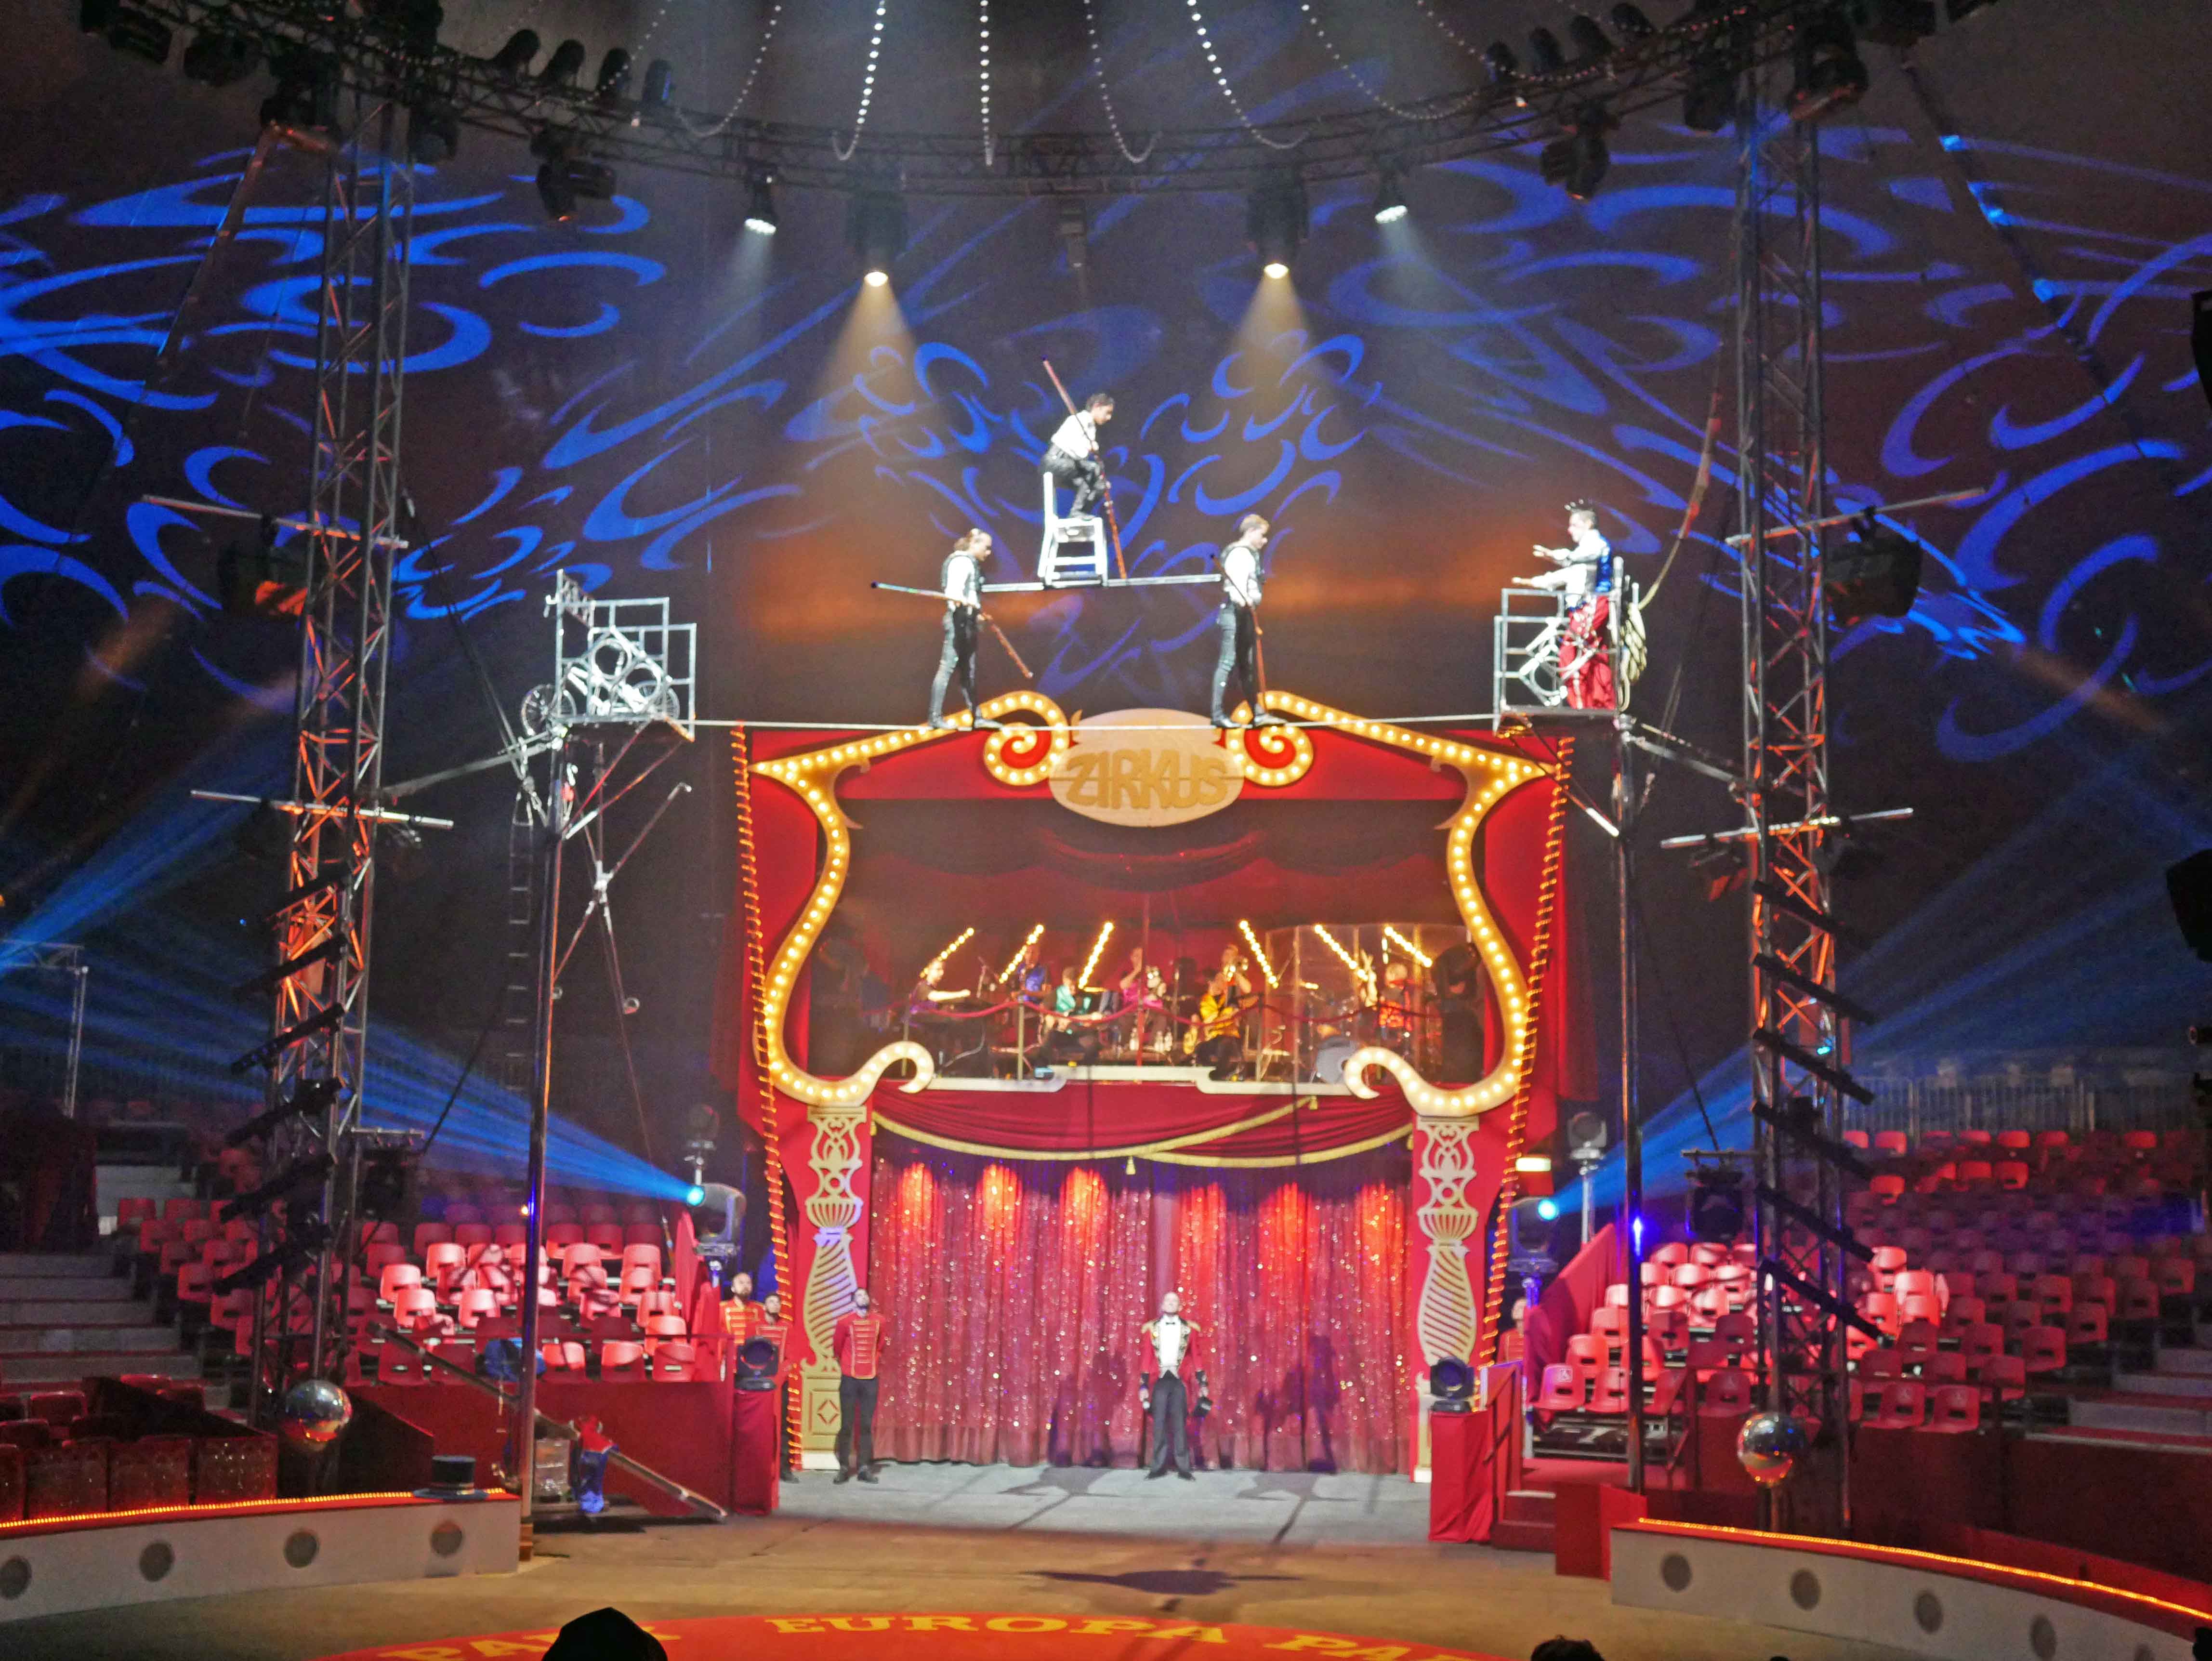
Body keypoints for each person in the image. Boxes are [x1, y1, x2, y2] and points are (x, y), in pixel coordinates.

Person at [1524, 501, 1618, 711]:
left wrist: (1553, 555)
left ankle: (1583, 705)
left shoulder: (1596, 544)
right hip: (1586, 605)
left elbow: (1576, 559)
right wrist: (1539, 579)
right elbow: (1571, 567)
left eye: (1574, 525)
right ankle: (1601, 705)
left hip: (1594, 603)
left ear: (1588, 525)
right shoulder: (1586, 550)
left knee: (1571, 651)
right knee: (1594, 653)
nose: (1569, 530)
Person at [927, 529, 998, 730]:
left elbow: (969, 596)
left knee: (968, 673)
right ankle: (935, 717)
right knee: (947, 668)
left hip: (967, 622)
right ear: (974, 543)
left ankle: (977, 717)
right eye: (986, 548)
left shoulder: (970, 563)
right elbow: (954, 593)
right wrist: (961, 607)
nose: (988, 553)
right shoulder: (961, 562)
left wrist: (976, 615)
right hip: (959, 622)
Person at [1210, 514, 1276, 728]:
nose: (1265, 541)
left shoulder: (1248, 554)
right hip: (1236, 613)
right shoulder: (1240, 554)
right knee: (1228, 662)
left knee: (1246, 666)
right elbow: (1237, 589)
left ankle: (1258, 714)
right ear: (1251, 531)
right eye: (1262, 535)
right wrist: (1246, 603)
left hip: (1244, 614)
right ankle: (1217, 714)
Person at [1139, 1291, 1200, 1480]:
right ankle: (1158, 1467)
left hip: (1178, 1381)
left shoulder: (1189, 1329)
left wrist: (1203, 1382)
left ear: (1180, 1306)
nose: (1171, 1303)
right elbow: (1147, 1358)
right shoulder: (1152, 1329)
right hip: (1159, 1381)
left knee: (1180, 1423)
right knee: (1159, 1424)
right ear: (1162, 1305)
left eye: (1175, 1301)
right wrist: (1143, 1386)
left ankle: (1184, 1468)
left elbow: (1197, 1356)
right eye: (1168, 1300)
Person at [831, 1288, 887, 1484]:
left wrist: (874, 1362)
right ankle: (844, 1467)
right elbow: (837, 1347)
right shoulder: (844, 1322)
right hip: (850, 1379)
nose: (863, 1298)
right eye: (859, 1296)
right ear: (853, 1301)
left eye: (865, 1295)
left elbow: (881, 1346)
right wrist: (847, 1365)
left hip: (870, 1379)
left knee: (865, 1425)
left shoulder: (880, 1321)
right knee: (846, 1424)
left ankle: (864, 1467)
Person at [1042, 391, 1114, 512]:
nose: (1109, 418)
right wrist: (1088, 448)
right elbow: (1072, 447)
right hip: (1055, 461)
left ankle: (1081, 513)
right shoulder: (1081, 419)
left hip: (1068, 465)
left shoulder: (1091, 427)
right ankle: (1077, 511)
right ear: (1097, 407)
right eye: (1107, 413)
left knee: (1100, 485)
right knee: (1093, 469)